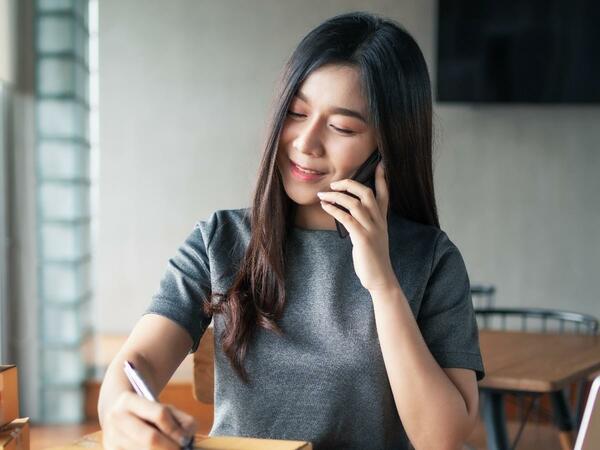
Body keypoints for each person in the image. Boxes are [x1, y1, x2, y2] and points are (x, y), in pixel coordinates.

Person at [98, 11, 485, 450]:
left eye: (341, 127)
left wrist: (383, 284)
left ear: (388, 144)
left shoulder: (431, 259)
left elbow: (443, 440)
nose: (306, 142)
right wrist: (119, 413)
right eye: (297, 112)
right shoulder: (219, 239)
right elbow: (138, 363)